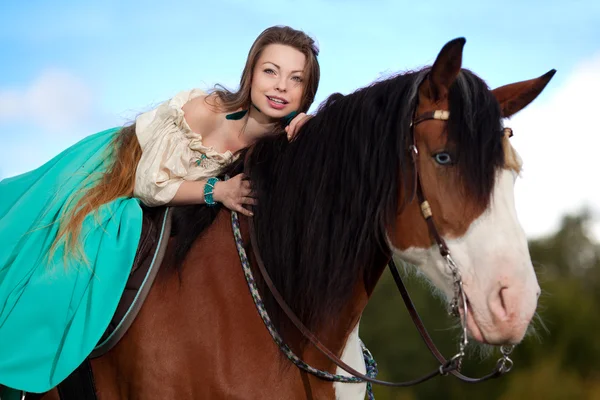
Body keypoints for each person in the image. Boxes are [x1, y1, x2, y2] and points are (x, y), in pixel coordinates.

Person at [0, 25, 320, 395]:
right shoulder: (209, 109)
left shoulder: (280, 142)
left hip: (161, 200)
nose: (281, 86)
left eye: (295, 79)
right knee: (72, 248)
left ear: (305, 92)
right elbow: (148, 183)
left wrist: (311, 133)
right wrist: (218, 189)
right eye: (271, 71)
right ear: (251, 73)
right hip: (112, 174)